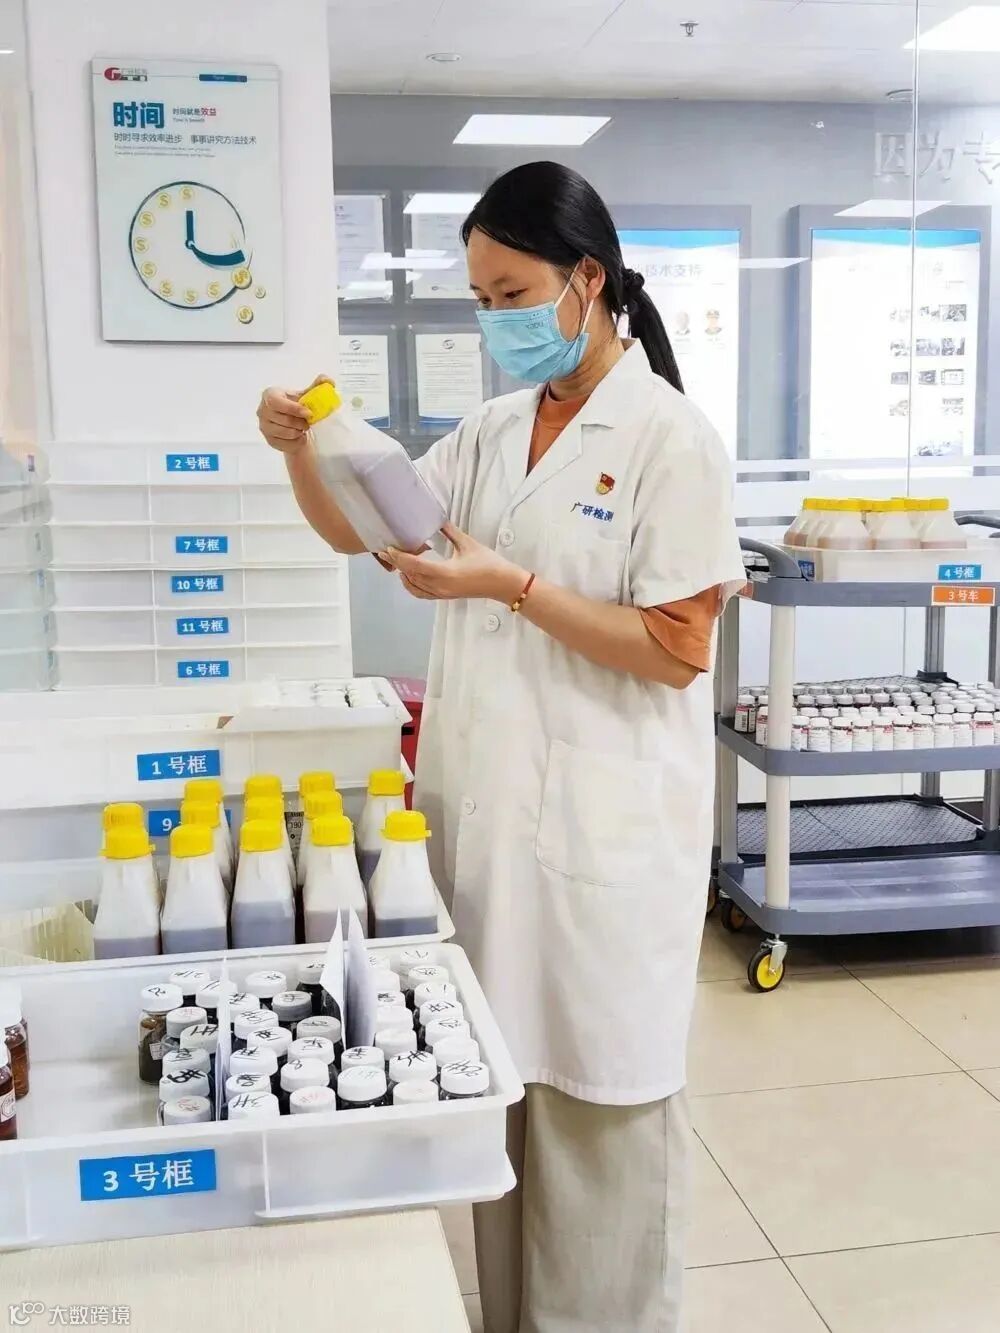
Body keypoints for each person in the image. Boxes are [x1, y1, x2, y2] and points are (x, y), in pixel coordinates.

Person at [257, 160, 744, 1333]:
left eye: (511, 294)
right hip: (492, 835)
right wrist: (298, 452)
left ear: (588, 280)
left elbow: (678, 647)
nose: (495, 321)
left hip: (602, 846)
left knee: (598, 1140)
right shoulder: (491, 429)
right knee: (502, 1129)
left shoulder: (670, 438)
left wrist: (511, 586)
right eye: (479, 300)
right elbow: (357, 534)